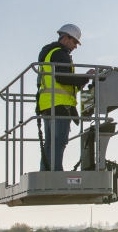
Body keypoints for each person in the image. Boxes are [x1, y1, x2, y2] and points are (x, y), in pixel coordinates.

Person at [37, 24, 93, 171]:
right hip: (60, 105)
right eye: (74, 42)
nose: (75, 46)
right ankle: (55, 174)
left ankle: (46, 173)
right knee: (58, 141)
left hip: (47, 105)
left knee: (50, 143)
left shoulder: (49, 53)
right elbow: (63, 79)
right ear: (66, 37)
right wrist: (86, 77)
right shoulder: (60, 54)